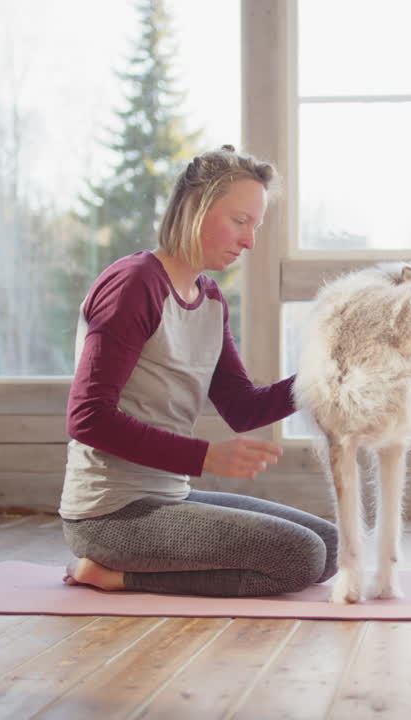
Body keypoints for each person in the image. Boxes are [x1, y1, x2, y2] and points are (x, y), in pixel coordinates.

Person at [59, 145, 336, 597]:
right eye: (240, 221)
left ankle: (125, 571)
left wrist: (326, 375)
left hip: (169, 496)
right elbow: (87, 418)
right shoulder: (134, 284)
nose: (249, 241)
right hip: (109, 513)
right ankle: (113, 574)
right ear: (195, 208)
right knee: (299, 556)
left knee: (330, 546)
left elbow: (242, 408)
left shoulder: (209, 299)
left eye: (255, 226)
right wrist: (205, 457)